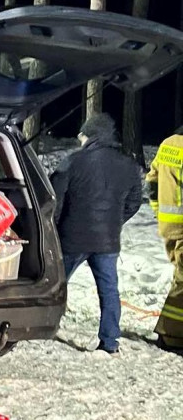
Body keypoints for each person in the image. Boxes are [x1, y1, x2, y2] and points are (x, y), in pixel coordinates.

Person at [51, 113, 143, 354]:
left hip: (72, 237)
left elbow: (55, 200)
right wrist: (114, 221)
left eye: (81, 135)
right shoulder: (128, 165)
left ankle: (47, 325)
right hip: (108, 240)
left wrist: (57, 226)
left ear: (90, 135)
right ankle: (110, 340)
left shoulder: (73, 162)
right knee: (109, 290)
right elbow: (134, 202)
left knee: (56, 284)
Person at [145, 126, 183, 350]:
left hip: (169, 225)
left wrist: (159, 211)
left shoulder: (168, 144)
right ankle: (170, 334)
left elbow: (152, 181)